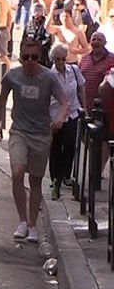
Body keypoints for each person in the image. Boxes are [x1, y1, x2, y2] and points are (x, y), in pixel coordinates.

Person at [0, 39, 68, 244]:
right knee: (17, 172)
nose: (29, 61)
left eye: (34, 58)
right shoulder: (12, 76)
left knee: (35, 180)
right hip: (19, 131)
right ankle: (21, 220)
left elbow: (64, 101)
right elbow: (1, 101)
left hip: (42, 134)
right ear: (20, 56)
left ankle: (32, 225)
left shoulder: (49, 77)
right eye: (26, 57)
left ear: (40, 57)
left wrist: (60, 118)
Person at [49, 44, 86, 199]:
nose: (60, 62)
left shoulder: (74, 71)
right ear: (53, 59)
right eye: (57, 59)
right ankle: (55, 178)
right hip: (56, 114)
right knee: (56, 147)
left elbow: (81, 88)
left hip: (72, 113)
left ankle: (66, 175)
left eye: (63, 59)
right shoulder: (49, 75)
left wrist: (85, 108)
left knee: (70, 144)